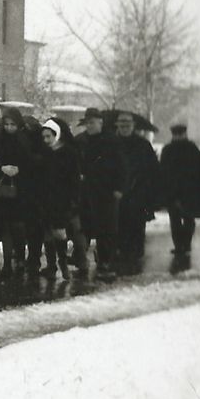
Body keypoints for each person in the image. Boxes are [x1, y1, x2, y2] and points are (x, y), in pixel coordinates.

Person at [0, 108, 42, 275]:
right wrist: (1, 167)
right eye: (6, 124)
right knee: (5, 226)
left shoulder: (26, 138)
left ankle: (20, 258)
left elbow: (34, 161)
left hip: (22, 187)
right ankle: (7, 263)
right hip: (2, 188)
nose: (9, 128)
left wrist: (19, 169)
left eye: (13, 124)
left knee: (19, 226)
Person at [157, 122, 200, 272]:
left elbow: (163, 171)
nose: (178, 136)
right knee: (183, 219)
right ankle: (182, 245)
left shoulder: (170, 150)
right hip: (186, 192)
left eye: (179, 134)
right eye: (177, 134)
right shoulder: (192, 149)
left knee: (180, 219)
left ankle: (181, 245)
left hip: (182, 192)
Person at [110, 110, 161, 274]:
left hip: (138, 193)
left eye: (128, 125)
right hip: (115, 192)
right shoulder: (111, 143)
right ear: (117, 126)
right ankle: (119, 257)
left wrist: (147, 190)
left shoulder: (143, 145)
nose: (125, 128)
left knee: (137, 226)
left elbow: (153, 170)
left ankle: (135, 260)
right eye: (122, 125)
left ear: (133, 126)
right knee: (117, 225)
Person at [34, 118, 82, 279]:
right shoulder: (44, 153)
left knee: (60, 233)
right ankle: (51, 265)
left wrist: (72, 199)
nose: (46, 140)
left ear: (57, 135)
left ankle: (63, 265)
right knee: (47, 233)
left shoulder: (69, 153)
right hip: (45, 199)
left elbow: (74, 179)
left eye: (49, 136)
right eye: (44, 137)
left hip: (62, 200)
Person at [76, 108, 121, 279]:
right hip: (86, 190)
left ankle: (104, 261)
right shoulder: (81, 140)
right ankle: (81, 258)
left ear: (101, 122)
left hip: (106, 191)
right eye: (87, 122)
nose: (89, 125)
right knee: (85, 225)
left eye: (92, 122)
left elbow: (121, 166)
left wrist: (118, 188)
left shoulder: (111, 141)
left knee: (106, 228)